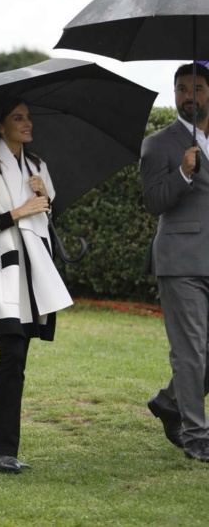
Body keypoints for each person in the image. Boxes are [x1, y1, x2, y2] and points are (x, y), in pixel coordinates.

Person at [0, 99, 72, 474]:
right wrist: (18, 212)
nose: (27, 124)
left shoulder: (36, 165)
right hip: (2, 275)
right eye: (17, 118)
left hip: (32, 275)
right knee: (11, 355)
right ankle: (3, 450)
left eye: (28, 117)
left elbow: (45, 217)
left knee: (17, 359)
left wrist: (44, 196)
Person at [141, 62, 209, 463]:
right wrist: (183, 173)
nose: (188, 96)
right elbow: (153, 202)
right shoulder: (158, 144)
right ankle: (197, 434)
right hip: (180, 260)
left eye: (196, 88)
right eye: (181, 88)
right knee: (191, 350)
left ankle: (169, 401)